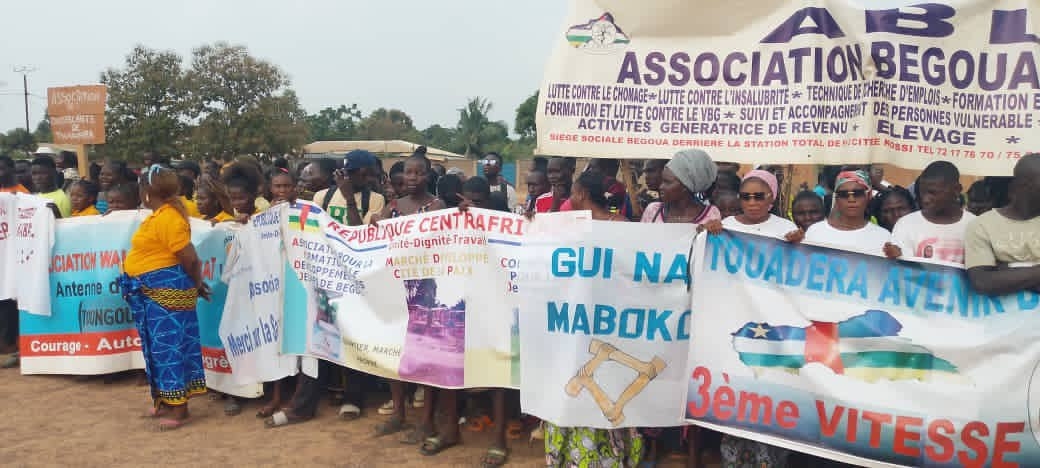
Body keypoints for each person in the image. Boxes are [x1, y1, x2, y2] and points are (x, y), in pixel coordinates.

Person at [546, 170, 643, 467]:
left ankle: (595, 454)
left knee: (601, 381)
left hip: (606, 322)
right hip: (581, 320)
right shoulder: (579, 226)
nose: (569, 199)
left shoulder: (615, 227)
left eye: (572, 194)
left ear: (582, 195)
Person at [370, 154, 456, 456]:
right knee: (395, 350)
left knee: (424, 355)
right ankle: (398, 412)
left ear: (428, 176)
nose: (413, 177)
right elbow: (375, 235)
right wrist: (374, 223)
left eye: (419, 172)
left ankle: (427, 420)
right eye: (409, 172)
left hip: (425, 289)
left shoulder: (436, 207)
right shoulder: (393, 206)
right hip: (395, 287)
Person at [119, 165, 210, 430]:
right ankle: (166, 401)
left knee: (170, 348)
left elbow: (190, 258)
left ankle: (180, 409)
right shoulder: (159, 216)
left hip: (166, 293)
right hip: (152, 293)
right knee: (156, 348)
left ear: (147, 192)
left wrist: (197, 284)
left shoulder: (169, 218)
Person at [964, 154, 1040, 296]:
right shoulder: (982, 226)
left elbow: (993, 280)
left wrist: (1008, 272)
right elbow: (982, 282)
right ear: (1024, 185)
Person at [884, 162, 974, 264]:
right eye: (922, 192)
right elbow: (903, 269)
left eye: (933, 193)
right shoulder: (906, 224)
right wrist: (897, 256)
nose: (925, 199)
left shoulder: (975, 226)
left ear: (956, 190)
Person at [703, 170, 802, 243]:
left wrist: (797, 244)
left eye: (759, 196)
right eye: (745, 197)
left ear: (772, 197)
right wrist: (706, 232)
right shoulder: (726, 225)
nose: (752, 203)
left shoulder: (786, 228)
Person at [804, 170, 890, 254]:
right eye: (844, 194)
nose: (851, 199)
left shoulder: (883, 237)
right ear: (836, 198)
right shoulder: (815, 232)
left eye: (858, 193)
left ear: (868, 195)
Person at [641, 149, 720, 225]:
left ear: (685, 186)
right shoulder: (653, 210)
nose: (661, 186)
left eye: (667, 182)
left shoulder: (711, 214)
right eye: (662, 181)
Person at [312, 150, 386, 225]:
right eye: (364, 174)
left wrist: (350, 199)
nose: (369, 178)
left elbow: (359, 231)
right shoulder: (322, 196)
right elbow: (315, 228)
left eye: (371, 174)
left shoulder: (376, 200)